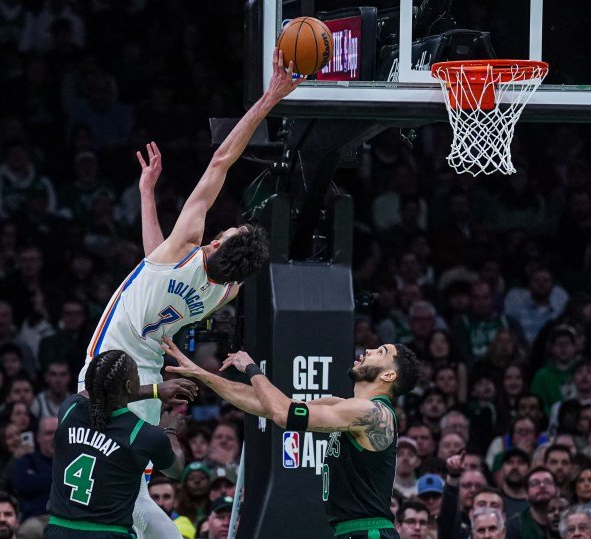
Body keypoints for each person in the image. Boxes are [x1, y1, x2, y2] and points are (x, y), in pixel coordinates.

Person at [74, 49, 302, 539]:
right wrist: (146, 195)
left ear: (217, 241)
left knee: (105, 486)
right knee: (131, 488)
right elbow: (152, 260)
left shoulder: (187, 246)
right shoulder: (223, 294)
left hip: (108, 361)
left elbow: (223, 159)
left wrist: (270, 97)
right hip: (149, 377)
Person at [164, 338, 419, 539]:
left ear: (388, 376)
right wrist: (199, 373)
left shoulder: (373, 413)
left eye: (381, 352)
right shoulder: (346, 408)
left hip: (368, 532)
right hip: (350, 531)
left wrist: (252, 369)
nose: (371, 349)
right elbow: (261, 403)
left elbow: (282, 414)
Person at [43, 349, 189, 539]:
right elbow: (175, 470)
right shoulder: (142, 433)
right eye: (137, 374)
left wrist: (154, 390)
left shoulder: (69, 409)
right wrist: (170, 432)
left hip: (58, 530)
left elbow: (91, 393)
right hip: (108, 533)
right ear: (129, 385)